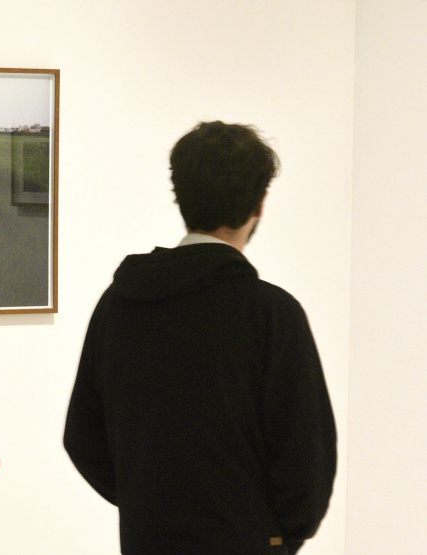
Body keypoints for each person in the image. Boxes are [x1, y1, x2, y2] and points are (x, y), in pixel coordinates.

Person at [63, 122, 337, 554]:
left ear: (180, 196)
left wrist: (149, 504)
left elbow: (82, 437)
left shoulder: (120, 304)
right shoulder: (272, 315)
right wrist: (274, 532)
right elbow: (307, 463)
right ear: (260, 204)